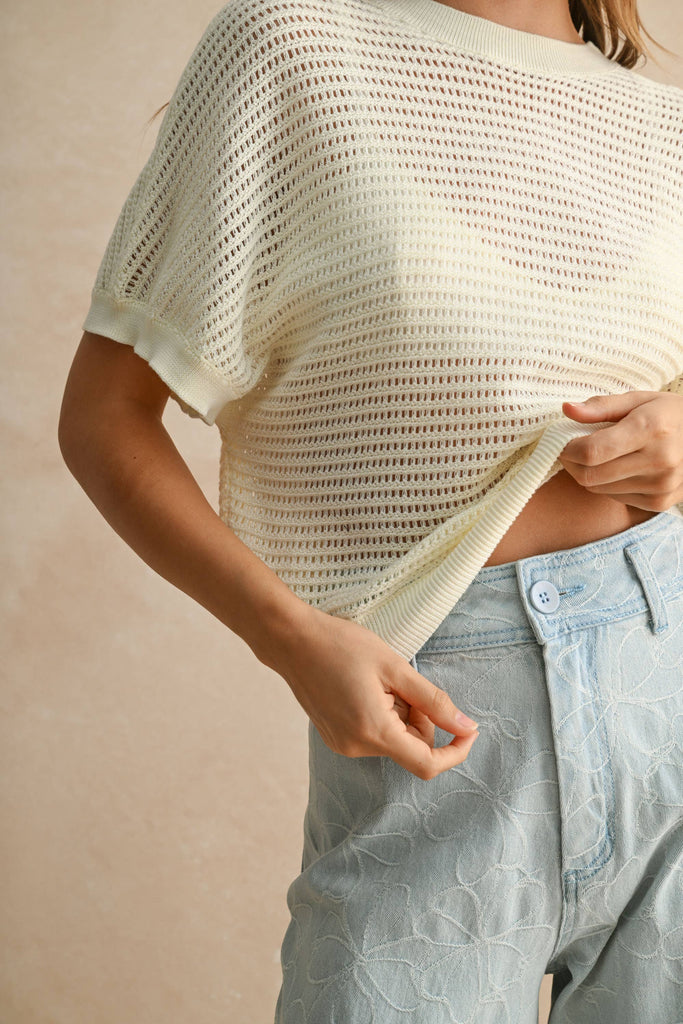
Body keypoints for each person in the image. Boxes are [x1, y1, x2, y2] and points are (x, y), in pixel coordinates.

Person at [59, 0, 683, 1019]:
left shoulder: (661, 125)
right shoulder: (295, 50)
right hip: (440, 714)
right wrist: (292, 638)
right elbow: (103, 417)